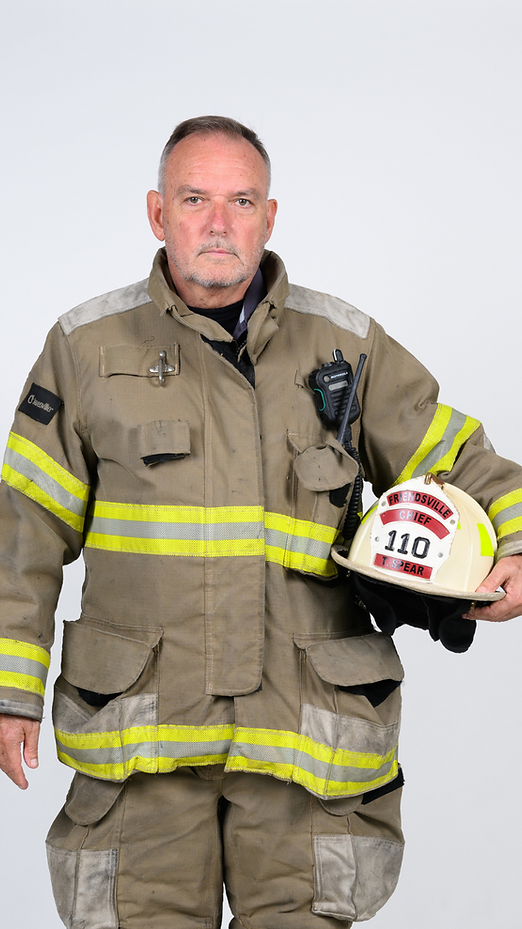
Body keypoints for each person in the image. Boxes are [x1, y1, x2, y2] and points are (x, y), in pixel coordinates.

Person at [0, 115, 521, 929]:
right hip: (145, 747)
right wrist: (11, 689)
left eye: (241, 200)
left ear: (269, 216)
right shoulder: (84, 348)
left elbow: (458, 457)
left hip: (303, 748)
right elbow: (23, 531)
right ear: (157, 212)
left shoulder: (344, 344)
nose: (218, 222)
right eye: (195, 198)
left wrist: (516, 541)